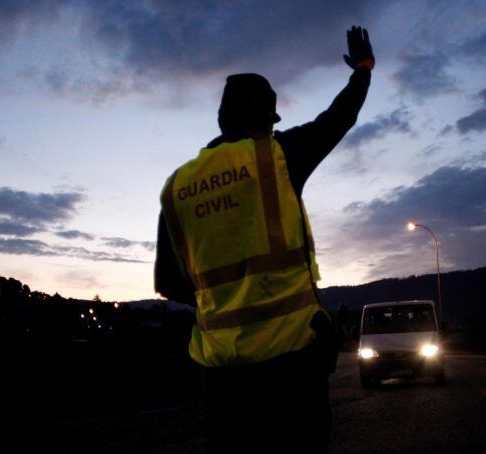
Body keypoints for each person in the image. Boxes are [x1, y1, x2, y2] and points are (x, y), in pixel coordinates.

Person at [154, 26, 374, 453]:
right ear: (263, 121)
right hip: (292, 364)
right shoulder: (276, 156)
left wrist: (225, 304)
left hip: (221, 372)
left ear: (223, 118)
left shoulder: (178, 185)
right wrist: (363, 70)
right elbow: (338, 118)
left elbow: (167, 281)